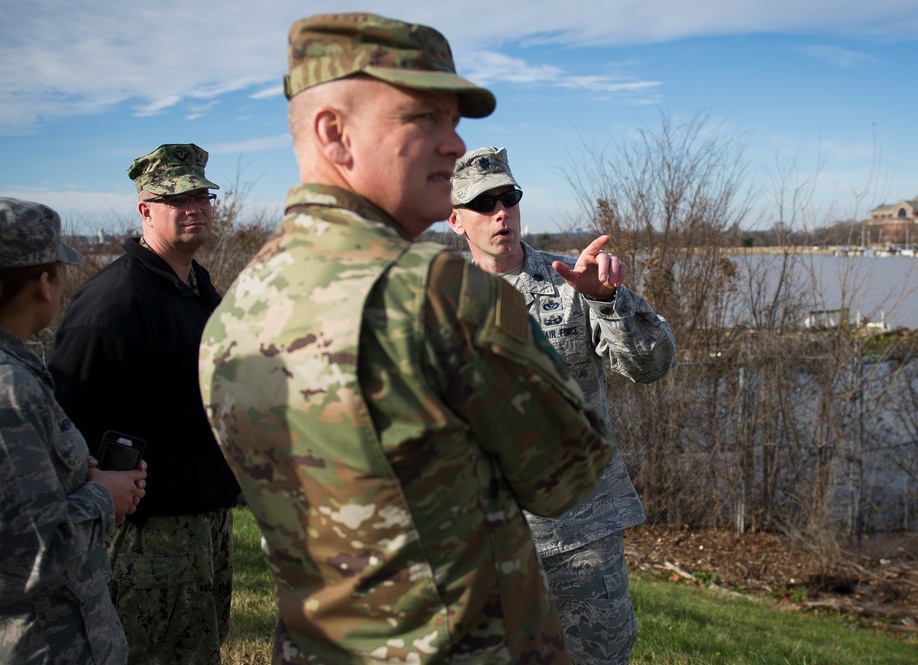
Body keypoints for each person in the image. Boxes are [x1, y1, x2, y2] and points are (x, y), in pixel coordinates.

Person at [198, 12, 615, 665]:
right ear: (334, 133)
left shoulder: (234, 313)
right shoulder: (436, 290)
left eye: (455, 120)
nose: (455, 145)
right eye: (424, 118)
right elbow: (568, 476)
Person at [448, 146, 677, 664]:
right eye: (484, 203)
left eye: (509, 197)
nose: (500, 211)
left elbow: (653, 365)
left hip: (581, 538)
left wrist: (609, 300)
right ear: (456, 220)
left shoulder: (573, 282)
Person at [48, 145, 241, 665]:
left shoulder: (198, 288)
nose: (195, 206)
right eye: (178, 198)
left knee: (202, 652)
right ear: (145, 210)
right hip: (146, 540)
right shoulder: (114, 303)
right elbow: (68, 425)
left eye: (202, 194)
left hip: (207, 524)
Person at [0, 197, 147, 664]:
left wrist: (68, 475)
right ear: (44, 284)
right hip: (42, 643)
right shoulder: (11, 390)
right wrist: (105, 494)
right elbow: (32, 556)